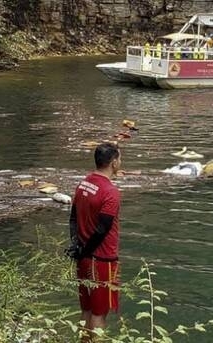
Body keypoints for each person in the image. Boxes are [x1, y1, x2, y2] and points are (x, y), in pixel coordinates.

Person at [69, 142, 122, 341]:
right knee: (100, 313)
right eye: (120, 158)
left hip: (83, 258)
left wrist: (76, 245)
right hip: (102, 260)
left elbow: (73, 218)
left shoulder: (83, 184)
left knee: (87, 309)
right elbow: (102, 229)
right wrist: (86, 250)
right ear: (114, 162)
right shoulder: (110, 192)